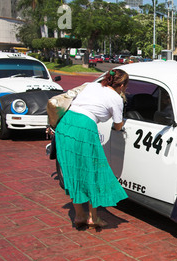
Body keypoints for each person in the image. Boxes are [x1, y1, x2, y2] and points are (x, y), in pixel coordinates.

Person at [55, 69, 129, 229]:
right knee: (92, 171)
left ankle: (79, 215)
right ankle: (93, 218)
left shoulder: (92, 86)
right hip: (84, 128)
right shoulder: (116, 98)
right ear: (122, 85)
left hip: (65, 124)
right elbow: (118, 126)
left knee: (73, 171)